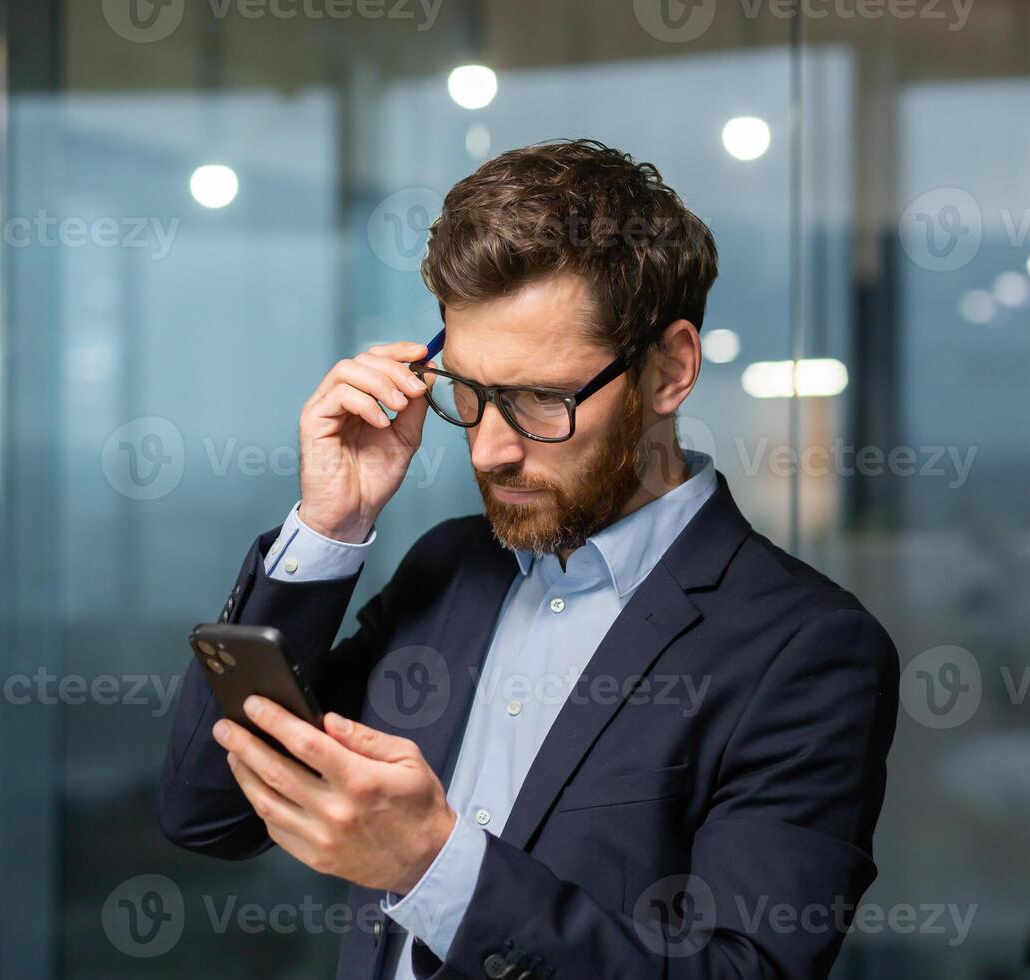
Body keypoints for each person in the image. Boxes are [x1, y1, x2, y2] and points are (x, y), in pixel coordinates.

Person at [158, 138, 899, 980]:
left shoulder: (806, 650)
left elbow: (741, 973)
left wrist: (433, 867)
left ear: (670, 371)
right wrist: (332, 526)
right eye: (468, 393)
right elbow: (208, 814)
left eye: (541, 399)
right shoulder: (449, 568)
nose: (487, 451)